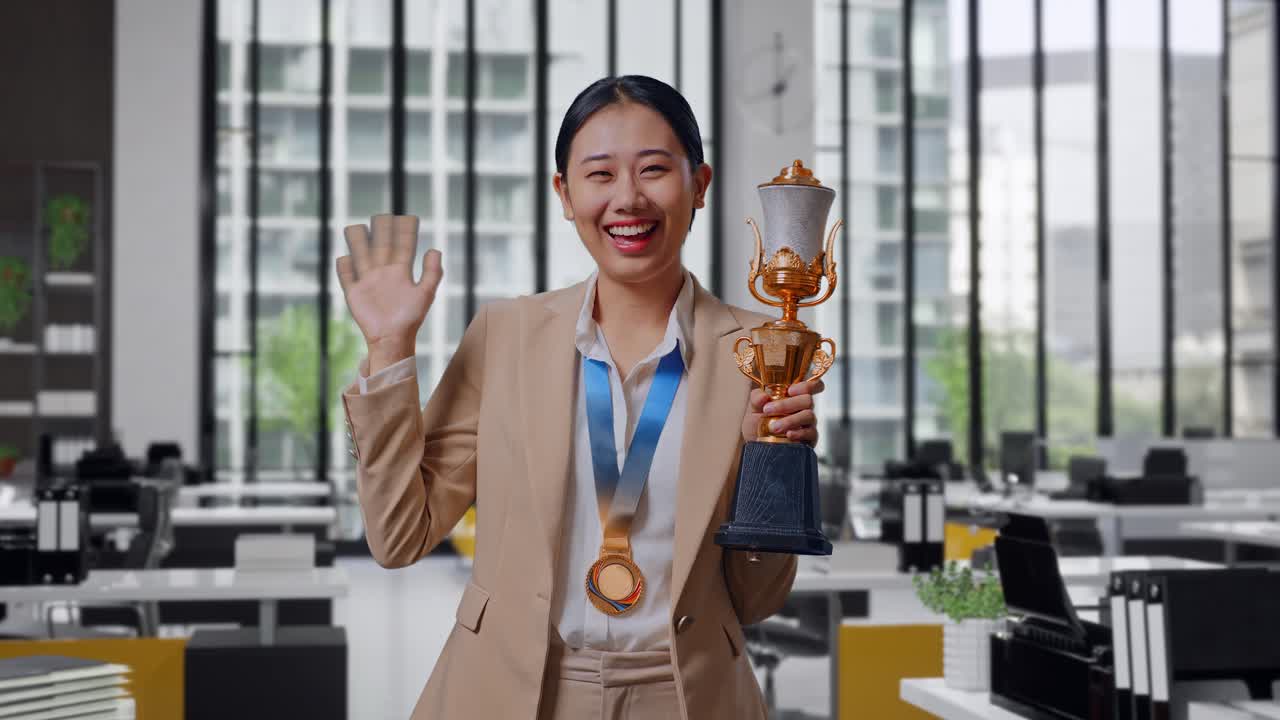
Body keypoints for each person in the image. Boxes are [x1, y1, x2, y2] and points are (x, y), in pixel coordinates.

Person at [335, 75, 825, 720]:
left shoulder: (760, 354)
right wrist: (390, 349)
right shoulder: (504, 337)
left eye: (654, 170)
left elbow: (757, 598)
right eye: (599, 175)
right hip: (514, 694)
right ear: (565, 194)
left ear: (699, 185)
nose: (628, 199)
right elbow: (399, 537)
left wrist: (773, 469)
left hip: (684, 695)